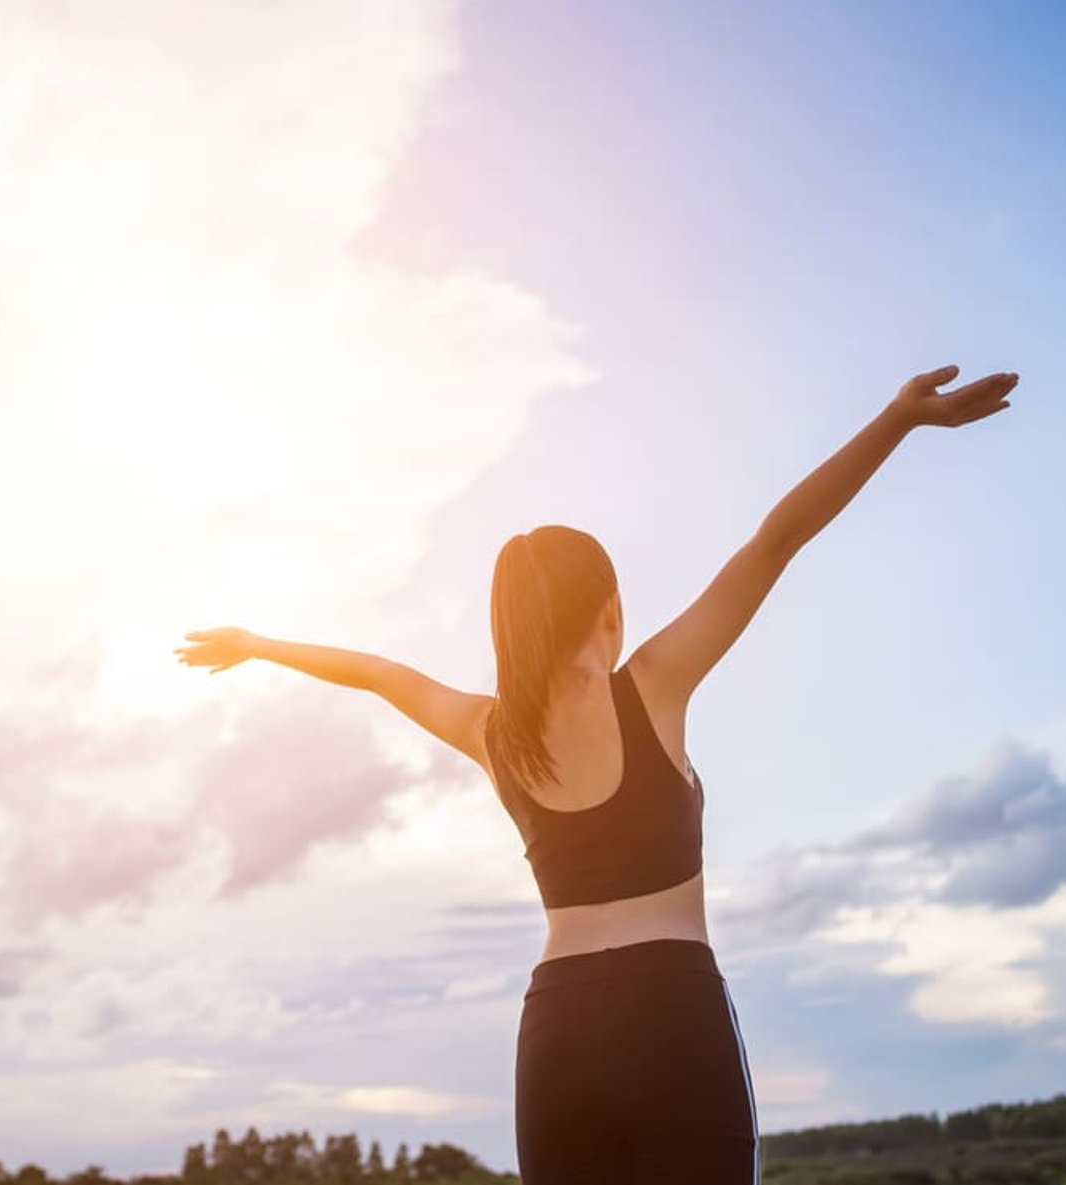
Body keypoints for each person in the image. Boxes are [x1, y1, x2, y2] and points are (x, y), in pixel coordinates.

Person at [176, 364, 1019, 1183]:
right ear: (610, 609)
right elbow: (779, 538)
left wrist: (256, 644)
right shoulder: (654, 686)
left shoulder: (490, 731)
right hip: (672, 1013)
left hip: (559, 1030)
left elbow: (377, 671)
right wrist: (897, 421)